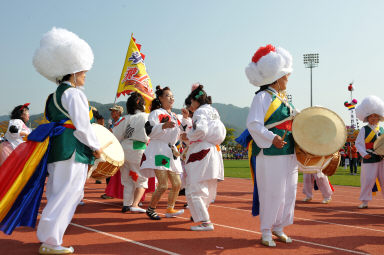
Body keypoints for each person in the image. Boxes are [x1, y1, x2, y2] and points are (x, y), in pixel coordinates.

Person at [33, 27, 102, 254]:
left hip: (57, 148)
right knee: (67, 193)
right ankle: (51, 241)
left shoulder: (52, 96)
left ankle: (49, 237)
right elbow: (83, 126)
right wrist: (96, 147)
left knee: (56, 191)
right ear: (72, 72)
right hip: (72, 148)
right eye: (82, 72)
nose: (84, 76)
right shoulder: (74, 94)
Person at [245, 44, 298, 247]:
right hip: (270, 152)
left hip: (288, 151)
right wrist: (271, 138)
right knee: (272, 191)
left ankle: (279, 227)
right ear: (276, 77)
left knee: (288, 192)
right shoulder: (262, 97)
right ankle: (266, 230)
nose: (287, 79)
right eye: (286, 76)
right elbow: (253, 124)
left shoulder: (284, 100)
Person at [181, 84, 226, 231]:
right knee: (208, 185)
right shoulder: (214, 111)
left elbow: (201, 130)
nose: (191, 107)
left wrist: (187, 136)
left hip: (201, 150)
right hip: (214, 150)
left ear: (195, 101)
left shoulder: (200, 112)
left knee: (194, 186)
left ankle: (205, 221)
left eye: (191, 104)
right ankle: (202, 214)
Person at [140, 86, 184, 220]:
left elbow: (178, 133)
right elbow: (149, 130)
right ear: (160, 98)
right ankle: (151, 208)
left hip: (170, 150)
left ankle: (170, 208)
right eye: (168, 96)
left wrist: (184, 136)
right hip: (158, 149)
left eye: (172, 96)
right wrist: (162, 126)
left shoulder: (175, 116)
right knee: (163, 184)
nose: (171, 98)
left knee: (177, 184)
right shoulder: (156, 113)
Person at [112, 92, 149, 213]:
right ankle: (135, 204)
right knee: (141, 179)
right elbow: (152, 133)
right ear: (140, 104)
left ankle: (126, 204)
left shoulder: (124, 118)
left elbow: (115, 135)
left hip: (124, 149)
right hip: (138, 148)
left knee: (127, 179)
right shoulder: (146, 116)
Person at [355, 95, 384, 209]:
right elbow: (358, 143)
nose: (373, 118)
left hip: (381, 159)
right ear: (367, 118)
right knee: (368, 180)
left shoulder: (381, 130)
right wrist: (364, 154)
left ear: (379, 117)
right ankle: (364, 201)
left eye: (375, 116)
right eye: (371, 117)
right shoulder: (364, 129)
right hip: (369, 158)